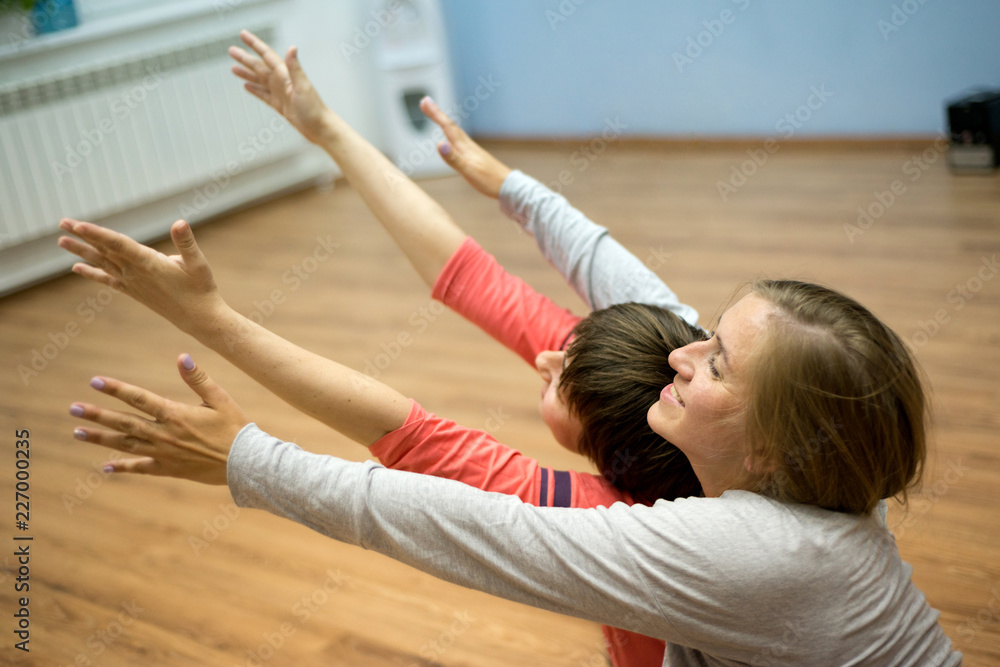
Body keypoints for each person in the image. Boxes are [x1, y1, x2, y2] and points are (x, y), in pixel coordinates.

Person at [60, 34, 962, 666]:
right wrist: (477, 175)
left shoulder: (692, 538)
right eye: (704, 342)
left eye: (717, 360)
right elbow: (524, 277)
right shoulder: (739, 427)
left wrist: (241, 440)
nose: (543, 353)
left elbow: (416, 489)